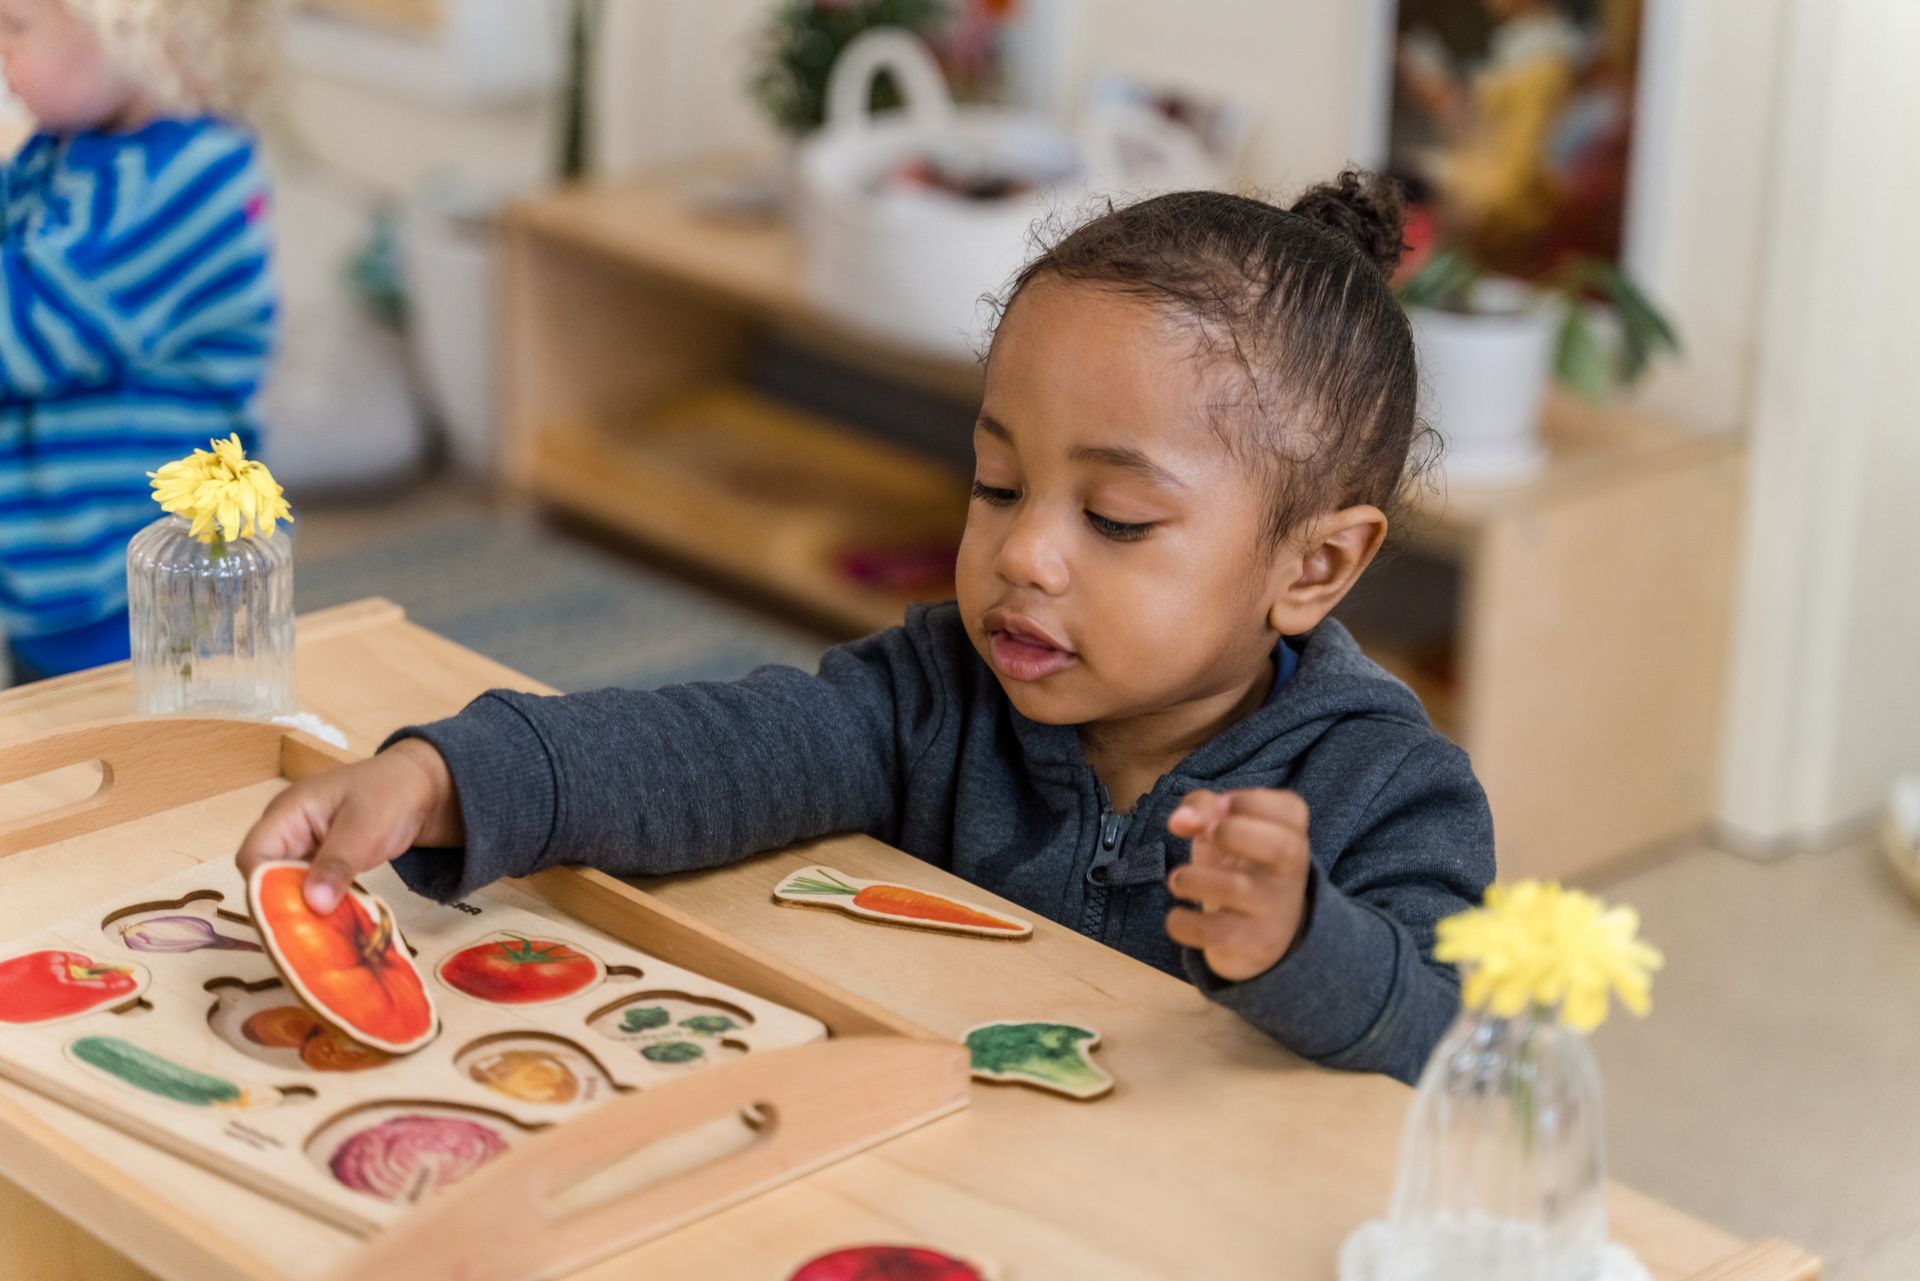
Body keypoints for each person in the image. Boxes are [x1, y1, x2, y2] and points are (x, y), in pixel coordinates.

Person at [238, 171, 1496, 1085]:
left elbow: (1446, 1046)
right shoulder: (937, 689)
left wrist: (1301, 943)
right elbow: (717, 749)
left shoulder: (1392, 786)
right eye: (997, 484)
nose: (1023, 552)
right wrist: (451, 776)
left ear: (1317, 566)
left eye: (1115, 519)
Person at [0, 0, 282, 680]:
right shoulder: (66, 148)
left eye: (15, 26)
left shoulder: (184, 178)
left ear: (139, 33)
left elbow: (22, 335)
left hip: (154, 590)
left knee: (164, 764)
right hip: (62, 575)